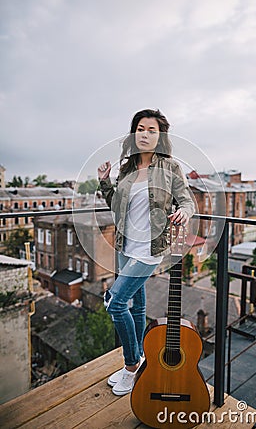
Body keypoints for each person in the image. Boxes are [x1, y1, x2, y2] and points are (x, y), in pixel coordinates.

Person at [98, 108, 195, 396]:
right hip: (125, 245)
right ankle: (140, 358)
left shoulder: (171, 168)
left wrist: (185, 212)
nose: (145, 133)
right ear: (134, 132)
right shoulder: (127, 168)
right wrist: (105, 180)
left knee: (115, 303)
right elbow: (116, 206)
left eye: (152, 130)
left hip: (149, 249)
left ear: (160, 136)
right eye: (141, 128)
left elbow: (186, 200)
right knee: (136, 306)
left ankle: (130, 367)